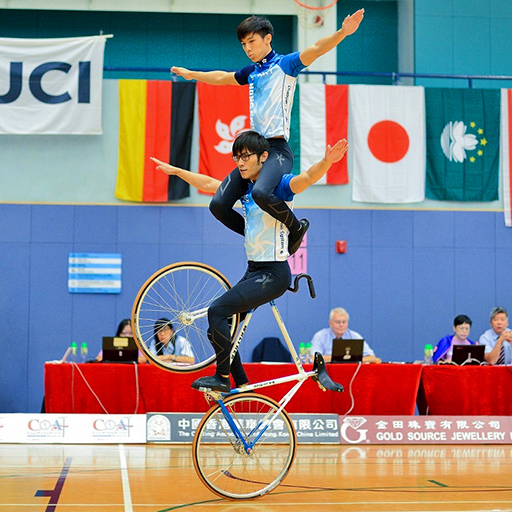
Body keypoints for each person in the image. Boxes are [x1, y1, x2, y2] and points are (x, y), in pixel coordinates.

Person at [152, 130, 348, 391]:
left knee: (217, 311)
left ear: (264, 158)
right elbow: (210, 184)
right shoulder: (244, 187)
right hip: (254, 270)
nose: (240, 163)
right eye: (237, 158)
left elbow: (306, 179)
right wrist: (178, 172)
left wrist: (327, 162)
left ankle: (221, 378)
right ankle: (242, 382)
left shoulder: (276, 186)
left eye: (246, 157)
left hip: (274, 274)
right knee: (217, 328)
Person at [171, 10, 364, 255]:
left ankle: (296, 229)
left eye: (252, 41)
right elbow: (223, 77)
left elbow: (316, 48)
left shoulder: (285, 65)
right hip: (255, 151)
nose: (247, 48)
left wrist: (342, 33)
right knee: (218, 205)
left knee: (262, 193)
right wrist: (192, 75)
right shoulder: (251, 72)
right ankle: (253, 232)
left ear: (268, 39)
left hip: (277, 151)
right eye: (243, 44)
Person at [310, 307, 381, 364]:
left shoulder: (354, 336)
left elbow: (372, 357)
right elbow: (314, 358)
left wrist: (352, 359)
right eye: (338, 322)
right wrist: (341, 358)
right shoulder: (320, 336)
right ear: (330, 323)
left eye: (344, 322)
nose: (341, 325)